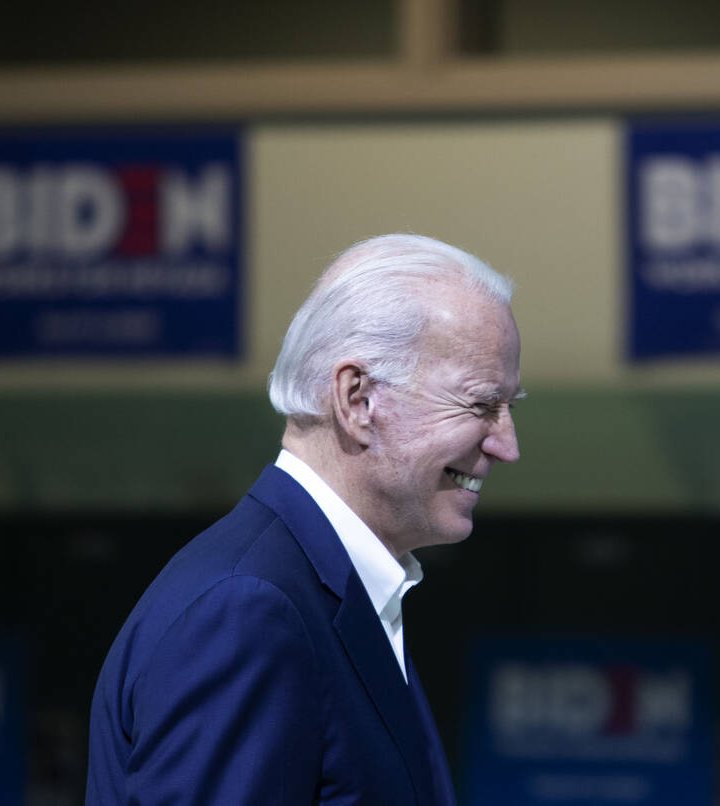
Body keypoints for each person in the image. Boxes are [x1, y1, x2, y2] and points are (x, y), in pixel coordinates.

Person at [86, 233, 523, 805]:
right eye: (481, 404)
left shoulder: (331, 594)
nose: (506, 446)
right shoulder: (249, 611)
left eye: (510, 407)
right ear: (358, 399)